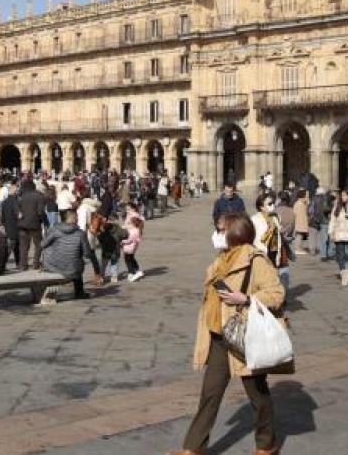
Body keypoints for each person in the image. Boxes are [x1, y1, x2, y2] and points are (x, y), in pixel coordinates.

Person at [172, 214, 288, 455]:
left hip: (244, 337)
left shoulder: (256, 260)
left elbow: (277, 294)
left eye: (220, 230)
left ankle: (267, 444)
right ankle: (193, 449)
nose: (217, 235)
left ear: (234, 232)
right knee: (210, 393)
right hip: (218, 336)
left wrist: (245, 299)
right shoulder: (223, 258)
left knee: (257, 395)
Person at [42, 209, 102, 300]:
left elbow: (42, 244)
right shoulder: (80, 233)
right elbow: (87, 254)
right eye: (76, 217)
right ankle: (79, 293)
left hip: (53, 265)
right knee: (78, 262)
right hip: (73, 268)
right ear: (73, 219)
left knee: (72, 259)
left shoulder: (54, 230)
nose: (78, 218)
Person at [251, 194, 290, 287]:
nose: (273, 205)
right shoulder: (255, 219)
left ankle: (279, 295)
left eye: (273, 203)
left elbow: (278, 229)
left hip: (276, 250)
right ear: (261, 207)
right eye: (269, 203)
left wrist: (282, 231)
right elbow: (251, 236)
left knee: (276, 274)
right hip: (262, 251)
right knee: (263, 276)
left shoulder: (276, 217)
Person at [17, 177, 47, 270]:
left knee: (23, 246)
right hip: (35, 224)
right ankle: (35, 264)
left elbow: (18, 210)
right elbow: (40, 212)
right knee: (38, 244)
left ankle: (23, 265)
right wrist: (42, 221)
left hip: (22, 224)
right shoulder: (39, 196)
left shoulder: (21, 197)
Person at [0, 180, 21, 268]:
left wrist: (4, 224)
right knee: (13, 247)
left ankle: (17, 263)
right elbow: (18, 215)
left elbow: (2, 216)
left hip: (8, 226)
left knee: (12, 246)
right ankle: (16, 263)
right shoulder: (15, 202)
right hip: (15, 226)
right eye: (17, 191)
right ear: (15, 192)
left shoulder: (4, 202)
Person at [122, 206, 144, 282]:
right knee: (131, 259)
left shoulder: (134, 231)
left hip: (129, 248)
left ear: (134, 223)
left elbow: (129, 240)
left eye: (131, 222)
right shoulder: (137, 229)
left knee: (128, 260)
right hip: (132, 247)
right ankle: (137, 271)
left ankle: (132, 273)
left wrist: (122, 241)